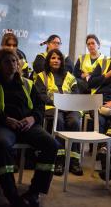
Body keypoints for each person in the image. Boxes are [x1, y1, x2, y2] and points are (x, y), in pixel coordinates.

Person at [0, 48, 58, 207]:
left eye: (14, 61)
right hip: (1, 126)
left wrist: (32, 118)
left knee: (51, 144)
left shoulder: (28, 84)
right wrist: (4, 119)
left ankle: (34, 192)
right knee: (2, 144)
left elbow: (39, 107)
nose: (12, 64)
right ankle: (12, 195)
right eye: (7, 61)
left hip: (26, 125)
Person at [34, 48, 83, 176]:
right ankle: (58, 160)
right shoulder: (41, 76)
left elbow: (76, 93)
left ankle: (74, 161)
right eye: (53, 58)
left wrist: (67, 104)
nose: (56, 60)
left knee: (74, 122)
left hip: (71, 107)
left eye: (59, 58)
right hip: (52, 107)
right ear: (48, 60)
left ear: (62, 61)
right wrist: (57, 103)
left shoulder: (70, 76)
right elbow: (41, 96)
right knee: (59, 121)